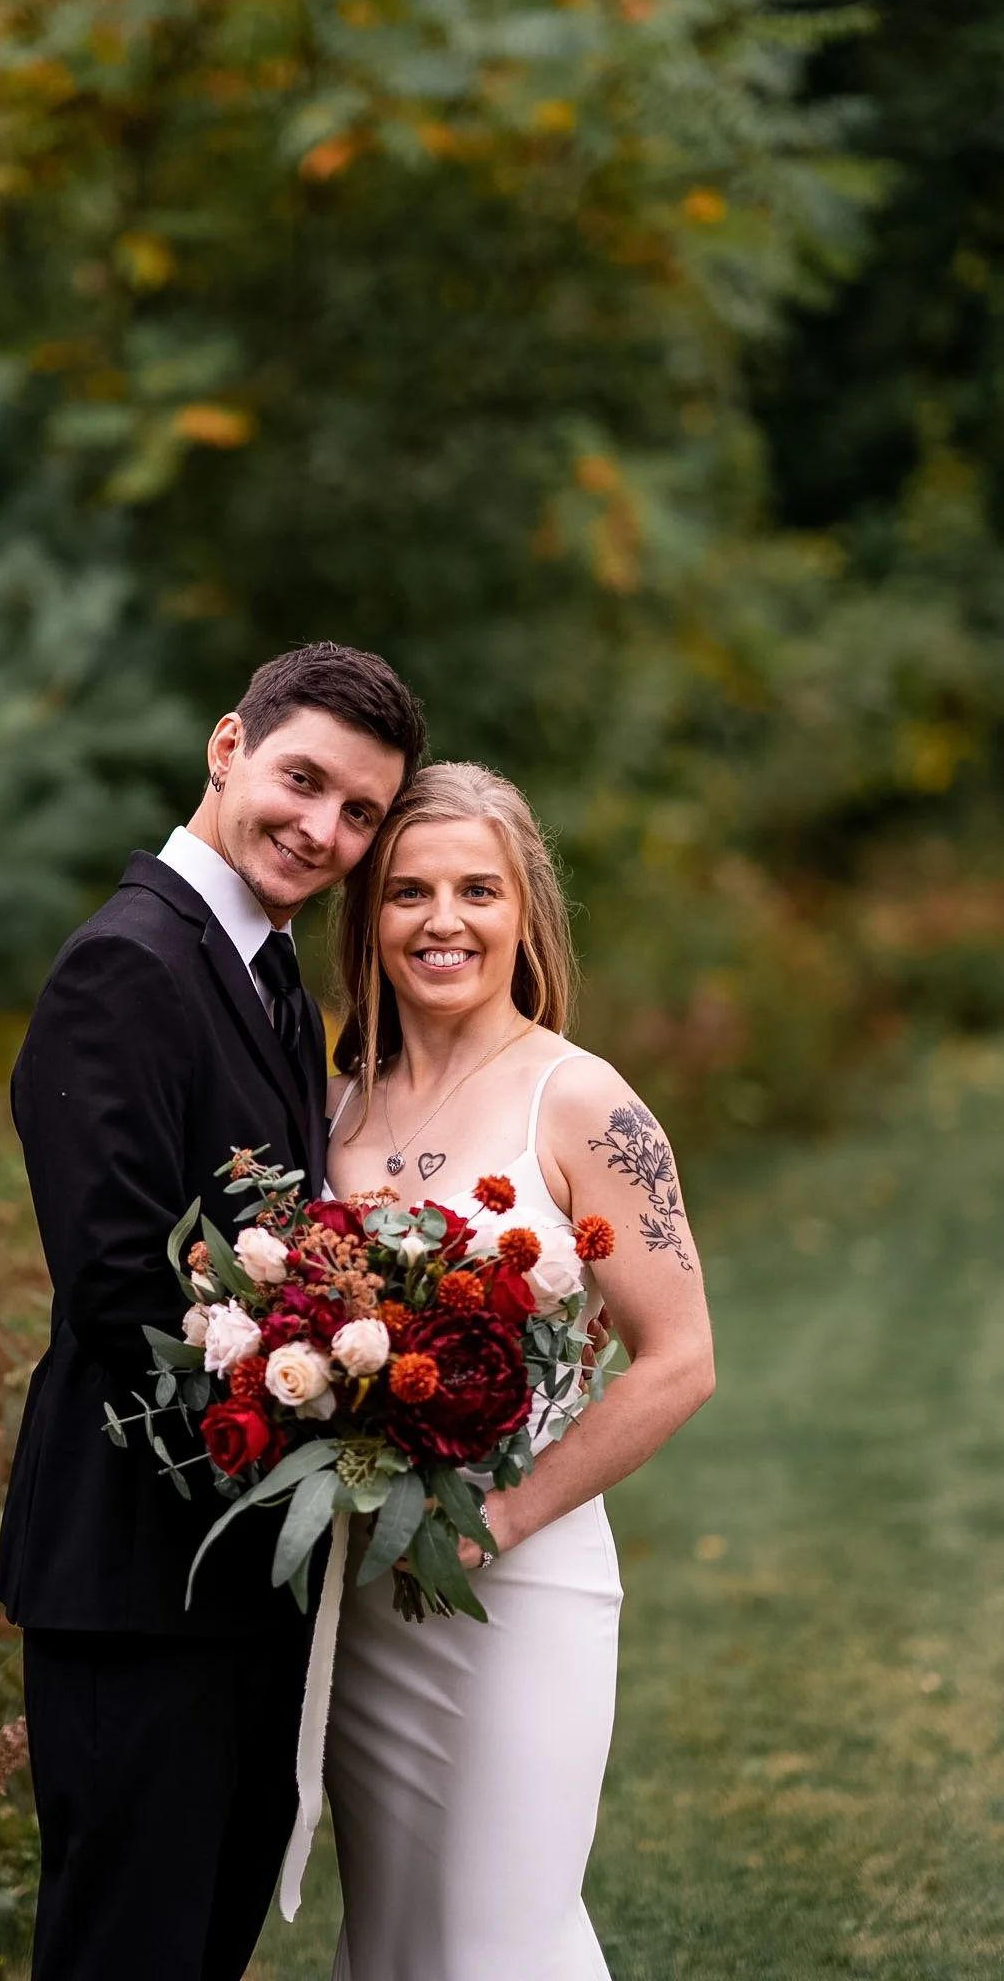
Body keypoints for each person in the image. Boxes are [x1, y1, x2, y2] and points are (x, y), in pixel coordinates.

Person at [0, 643, 426, 1981]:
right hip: (140, 1569)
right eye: (303, 783)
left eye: (361, 814)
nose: (324, 831)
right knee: (127, 1949)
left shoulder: (268, 978)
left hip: (240, 1575)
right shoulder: (127, 966)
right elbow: (122, 1284)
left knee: (200, 1944)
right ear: (225, 747)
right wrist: (292, 1445)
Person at [323, 762, 716, 1981]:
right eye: (408, 892)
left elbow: (681, 1360)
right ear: (369, 918)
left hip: (521, 1578)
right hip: (363, 1592)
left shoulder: (582, 1096)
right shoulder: (331, 1102)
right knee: (393, 1937)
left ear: (525, 912)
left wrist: (500, 1517)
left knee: (501, 1936)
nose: (442, 920)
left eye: (477, 889)